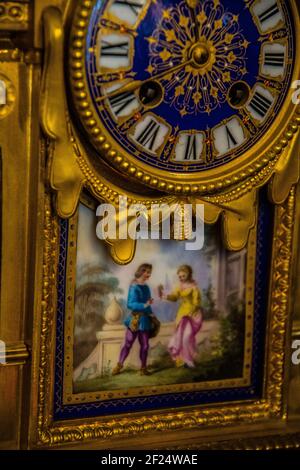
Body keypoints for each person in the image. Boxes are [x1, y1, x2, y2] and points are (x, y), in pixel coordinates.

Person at [112, 263, 158, 376]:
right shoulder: (134, 286)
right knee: (128, 343)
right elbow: (130, 304)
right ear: (142, 271)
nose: (149, 274)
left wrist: (151, 314)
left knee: (145, 346)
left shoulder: (146, 287)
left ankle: (143, 368)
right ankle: (119, 365)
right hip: (135, 319)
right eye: (147, 272)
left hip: (145, 320)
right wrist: (144, 305)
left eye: (150, 272)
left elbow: (148, 305)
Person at [159, 265, 203, 368]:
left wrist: (194, 309)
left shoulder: (194, 287)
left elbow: (197, 301)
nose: (181, 278)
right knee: (181, 337)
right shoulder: (179, 286)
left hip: (192, 314)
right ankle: (185, 360)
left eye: (183, 276)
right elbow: (174, 297)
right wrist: (165, 296)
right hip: (182, 315)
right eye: (180, 276)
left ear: (188, 275)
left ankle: (189, 359)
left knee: (187, 337)